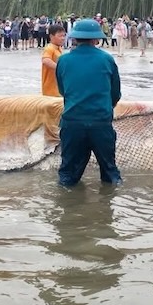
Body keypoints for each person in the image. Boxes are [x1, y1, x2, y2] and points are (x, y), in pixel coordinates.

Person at [55, 18, 122, 187]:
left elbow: (63, 91)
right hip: (100, 122)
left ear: (75, 38)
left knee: (68, 176)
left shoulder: (63, 60)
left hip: (72, 123)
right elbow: (115, 93)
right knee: (110, 173)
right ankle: (111, 199)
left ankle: (66, 201)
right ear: (96, 39)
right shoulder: (107, 59)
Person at [41, 24, 66, 96]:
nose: (63, 38)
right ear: (51, 36)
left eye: (64, 36)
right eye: (60, 36)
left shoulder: (59, 48)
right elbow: (45, 60)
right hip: (50, 90)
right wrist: (60, 68)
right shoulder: (49, 48)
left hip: (58, 87)